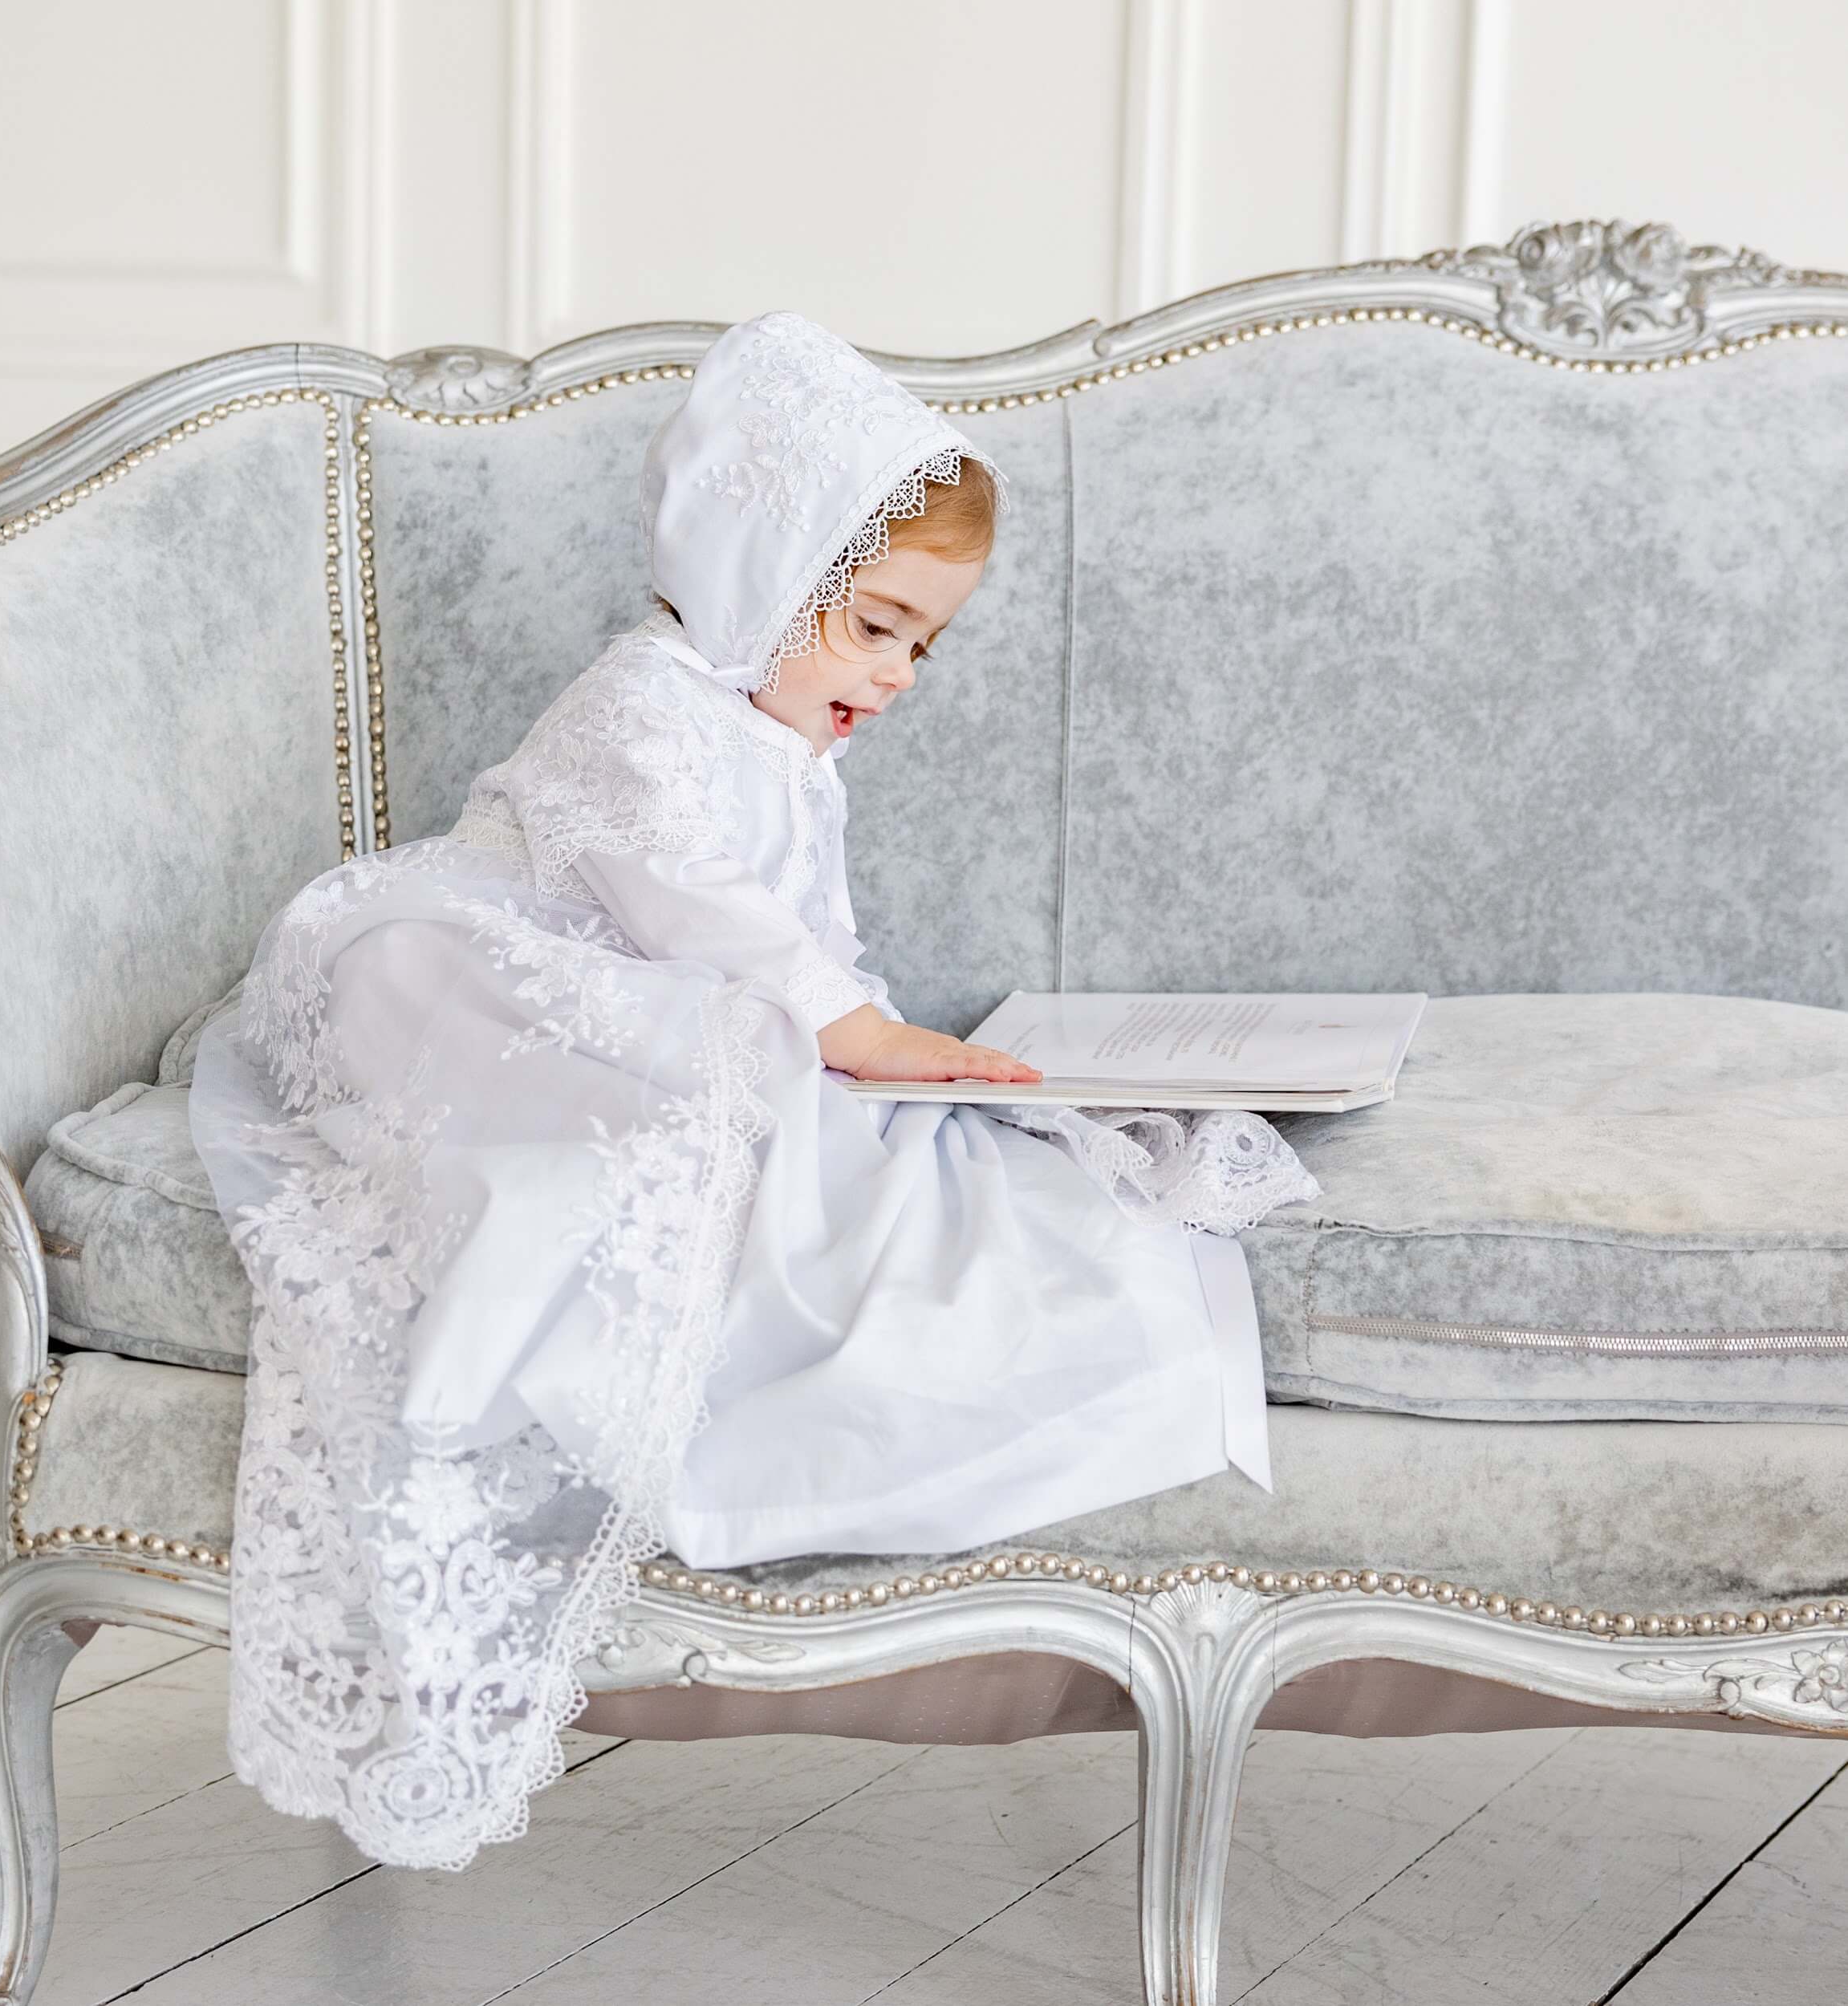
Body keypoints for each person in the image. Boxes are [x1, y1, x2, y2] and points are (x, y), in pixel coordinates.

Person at [188, 309, 1318, 1870]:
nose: (900, 673)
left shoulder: (790, 747)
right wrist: (849, 1029)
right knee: (614, 1067)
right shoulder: (644, 701)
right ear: (761, 572)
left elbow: (804, 940)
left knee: (793, 1108)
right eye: (874, 625)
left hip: (636, 1002)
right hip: (460, 955)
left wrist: (880, 1045)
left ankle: (649, 1176)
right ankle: (534, 1224)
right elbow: (692, 904)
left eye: (925, 640)